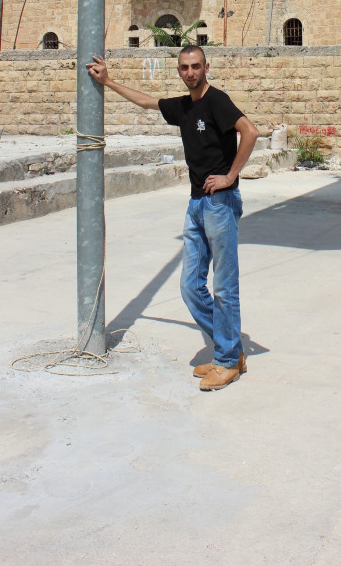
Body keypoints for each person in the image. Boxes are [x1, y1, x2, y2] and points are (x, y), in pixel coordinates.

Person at [86, 45, 259, 391]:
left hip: (220, 203)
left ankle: (227, 361)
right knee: (190, 287)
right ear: (179, 71)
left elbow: (250, 131)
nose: (191, 72)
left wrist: (230, 177)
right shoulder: (183, 106)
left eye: (196, 66)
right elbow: (147, 101)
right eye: (185, 67)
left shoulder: (217, 101)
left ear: (206, 67)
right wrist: (108, 82)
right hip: (197, 205)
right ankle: (231, 348)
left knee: (224, 287)